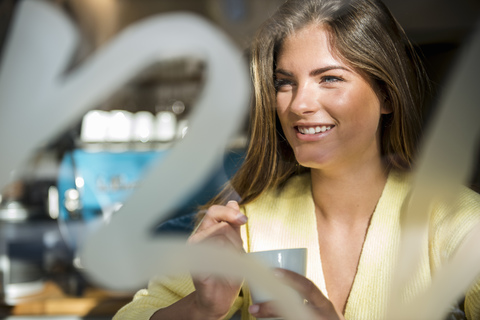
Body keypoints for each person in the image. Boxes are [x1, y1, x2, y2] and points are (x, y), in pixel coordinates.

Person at [114, 0, 480, 319]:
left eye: (330, 78)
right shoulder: (248, 220)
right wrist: (202, 309)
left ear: (386, 95)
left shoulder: (455, 219)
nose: (299, 104)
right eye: (285, 82)